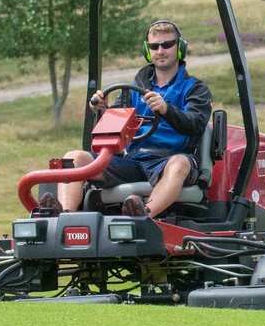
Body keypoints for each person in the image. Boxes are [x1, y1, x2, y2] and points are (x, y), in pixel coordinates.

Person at [55, 20, 213, 218]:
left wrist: (166, 110)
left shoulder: (195, 89)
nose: (160, 51)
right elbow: (114, 131)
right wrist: (102, 110)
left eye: (167, 45)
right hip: (134, 160)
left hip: (170, 159)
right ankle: (65, 217)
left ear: (180, 47)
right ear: (147, 50)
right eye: (154, 46)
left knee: (179, 164)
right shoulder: (135, 88)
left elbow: (196, 124)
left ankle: (143, 215)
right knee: (74, 158)